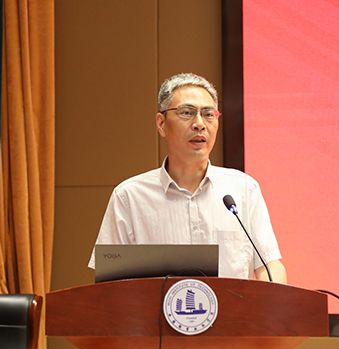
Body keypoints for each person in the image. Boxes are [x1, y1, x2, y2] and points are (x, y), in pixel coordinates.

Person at [88, 73, 287, 283]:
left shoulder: (243, 189)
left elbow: (269, 265)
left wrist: (273, 298)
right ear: (161, 123)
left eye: (208, 114)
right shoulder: (129, 196)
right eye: (187, 113)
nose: (199, 124)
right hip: (155, 307)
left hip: (234, 307)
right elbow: (109, 284)